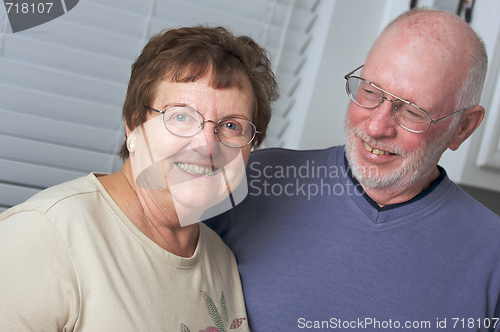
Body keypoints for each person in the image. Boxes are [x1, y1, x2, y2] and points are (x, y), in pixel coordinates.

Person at [205, 8, 500, 331]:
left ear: (463, 128)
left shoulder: (492, 256)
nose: (376, 126)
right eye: (370, 92)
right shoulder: (251, 178)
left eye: (414, 112)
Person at [0, 26, 278, 331]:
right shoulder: (46, 234)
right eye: (181, 116)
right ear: (134, 125)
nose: (207, 146)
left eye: (231, 126)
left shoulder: (220, 259)